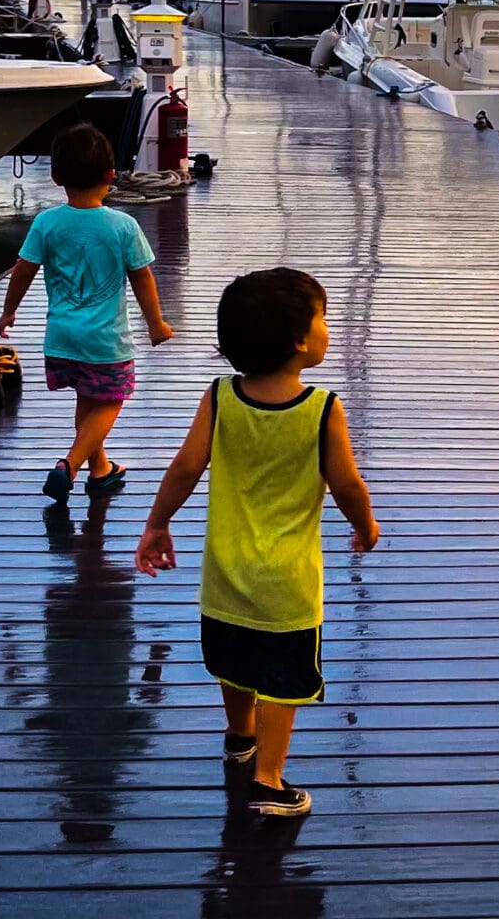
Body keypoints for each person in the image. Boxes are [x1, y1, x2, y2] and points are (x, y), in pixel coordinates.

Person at [135, 267, 379, 818]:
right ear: (298, 341)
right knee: (280, 680)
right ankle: (269, 779)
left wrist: (157, 523)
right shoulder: (321, 410)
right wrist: (365, 526)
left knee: (236, 660)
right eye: (322, 318)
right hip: (288, 585)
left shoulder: (220, 397)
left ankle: (238, 736)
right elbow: (346, 484)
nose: (326, 327)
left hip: (225, 571)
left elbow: (185, 466)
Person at [0, 120, 173, 502]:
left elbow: (23, 270)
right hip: (105, 340)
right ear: (112, 175)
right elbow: (142, 278)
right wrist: (156, 324)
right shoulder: (122, 225)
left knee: (87, 399)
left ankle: (100, 469)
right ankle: (71, 464)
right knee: (111, 400)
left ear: (57, 176)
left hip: (61, 337)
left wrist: (9, 312)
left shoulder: (47, 222)